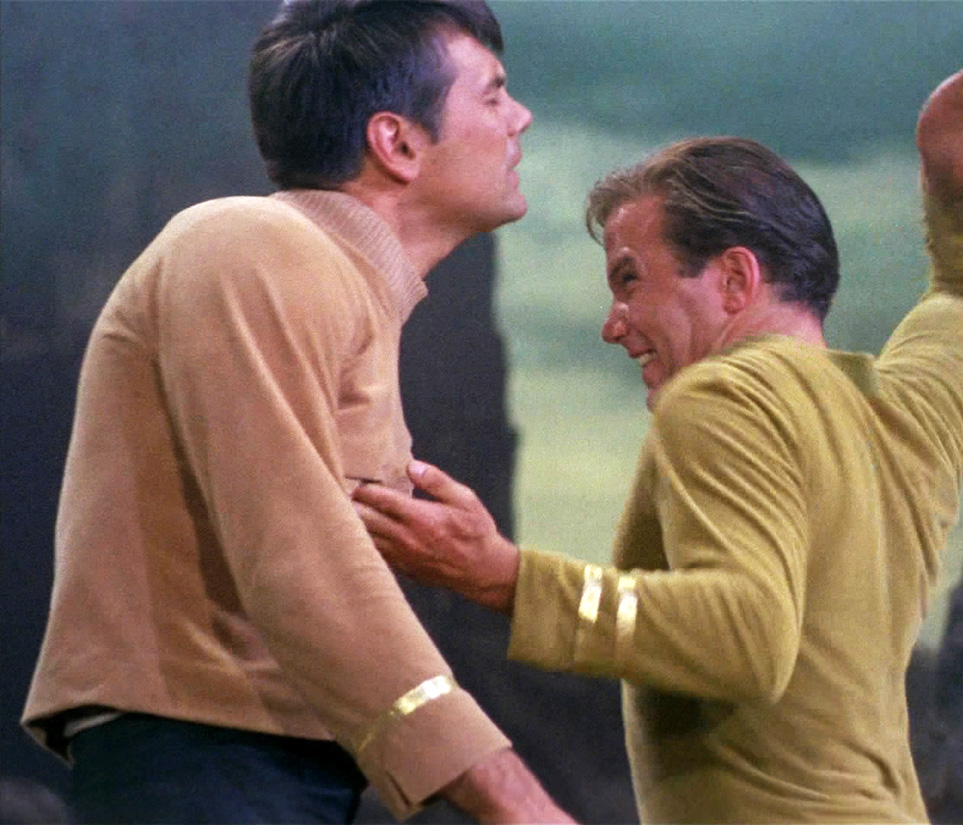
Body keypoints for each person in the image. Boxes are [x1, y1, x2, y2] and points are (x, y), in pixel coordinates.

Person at [354, 37, 963, 823]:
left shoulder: (722, 393)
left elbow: (745, 636)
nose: (614, 324)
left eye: (630, 280)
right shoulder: (900, 417)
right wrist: (956, 193)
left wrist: (506, 578)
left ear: (733, 279)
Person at [21, 1, 573, 823]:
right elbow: (298, 551)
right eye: (493, 94)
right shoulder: (250, 242)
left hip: (266, 767)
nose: (519, 116)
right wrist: (515, 801)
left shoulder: (333, 284)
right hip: (204, 763)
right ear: (396, 142)